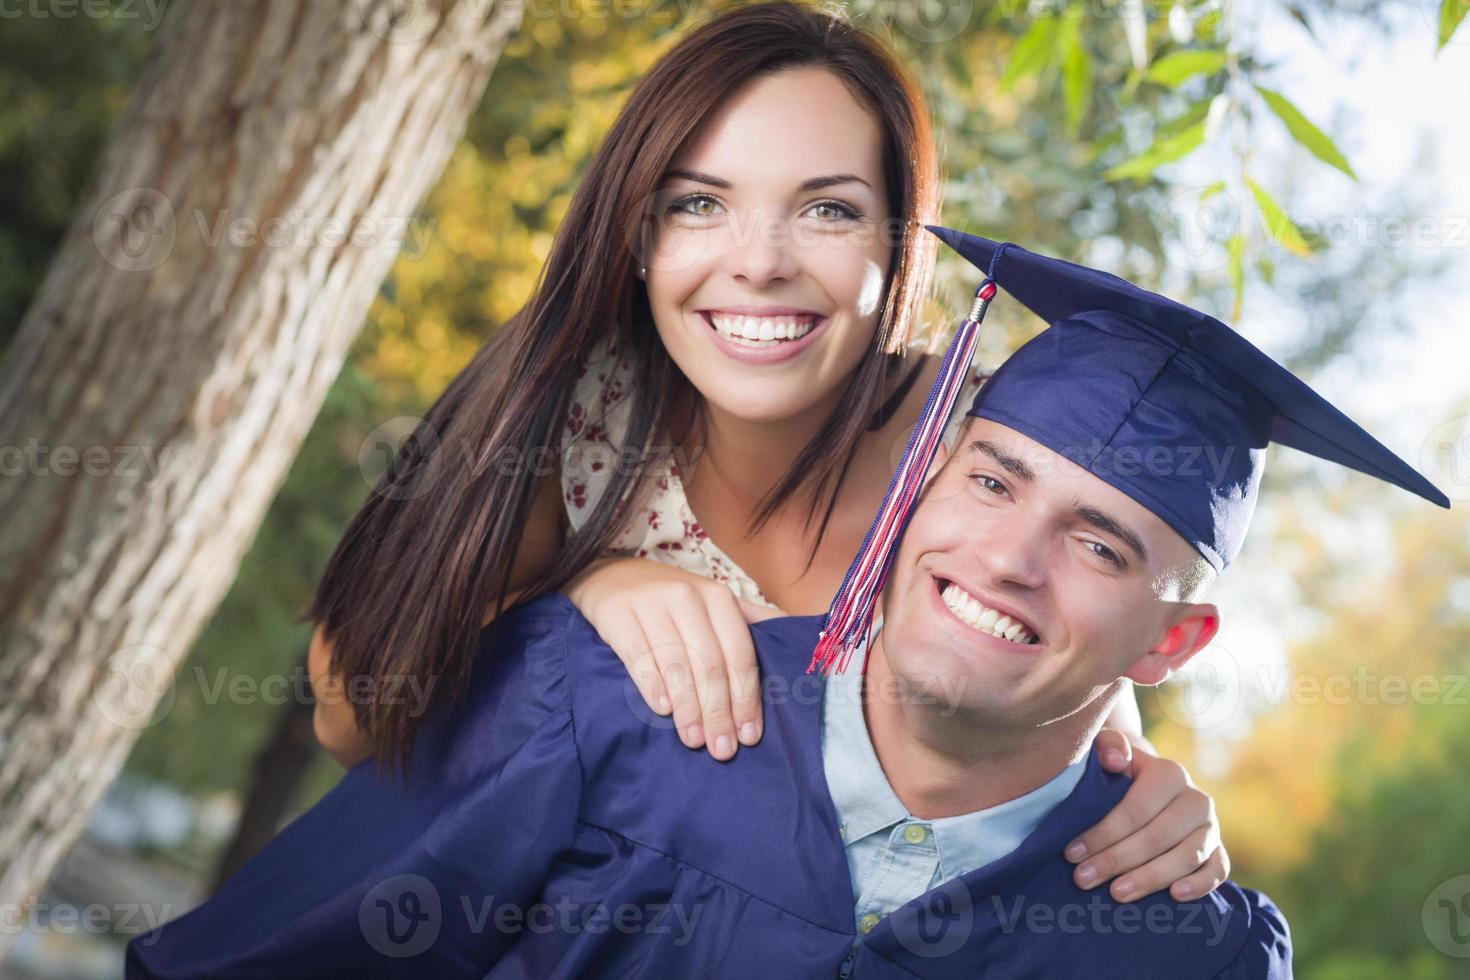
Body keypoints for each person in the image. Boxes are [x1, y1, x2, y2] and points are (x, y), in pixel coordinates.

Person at [127, 230, 1446, 977]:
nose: (1005, 557)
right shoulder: (599, 704)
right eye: (990, 481)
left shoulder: (1183, 961)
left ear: (1174, 642)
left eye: (1097, 547)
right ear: (917, 495)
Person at [305, 0, 1229, 905]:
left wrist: (1157, 797)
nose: (758, 262)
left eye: (828, 210)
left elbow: (1083, 698)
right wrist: (588, 593)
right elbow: (352, 715)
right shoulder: (580, 406)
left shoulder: (987, 455)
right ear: (635, 234)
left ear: (899, 243)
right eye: (699, 202)